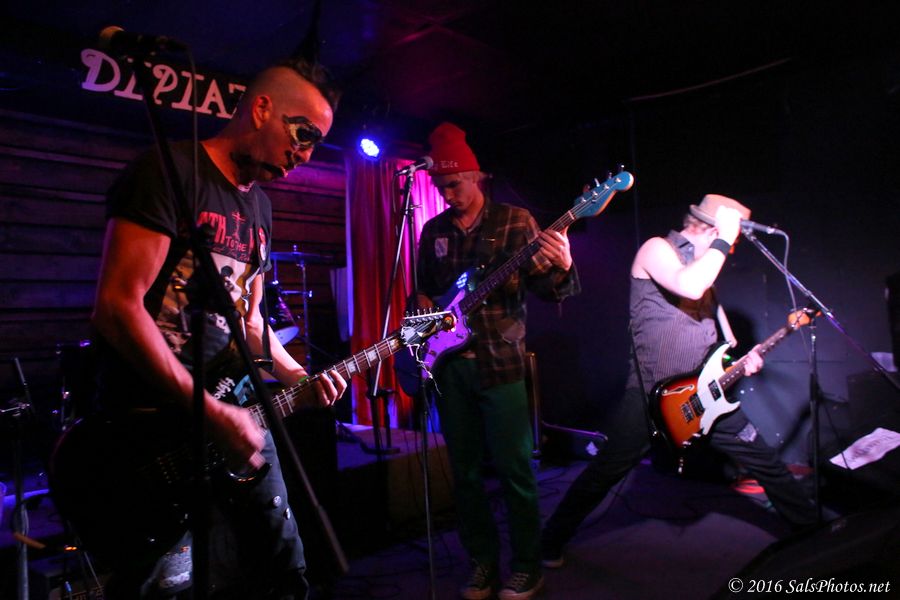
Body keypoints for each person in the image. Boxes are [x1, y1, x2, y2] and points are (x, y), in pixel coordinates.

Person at [91, 59, 347, 599]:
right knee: (168, 584)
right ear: (262, 109)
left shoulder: (261, 208)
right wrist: (209, 412)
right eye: (303, 134)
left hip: (237, 403)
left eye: (316, 143)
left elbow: (249, 320)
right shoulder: (169, 172)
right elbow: (117, 306)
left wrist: (299, 375)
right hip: (159, 423)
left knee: (283, 569)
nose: (305, 154)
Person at [540, 194, 818, 567]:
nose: (732, 249)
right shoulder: (657, 249)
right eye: (732, 240)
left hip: (705, 396)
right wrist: (726, 238)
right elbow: (689, 286)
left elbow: (724, 345)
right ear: (715, 230)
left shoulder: (706, 274)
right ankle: (549, 541)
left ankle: (815, 534)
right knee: (604, 472)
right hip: (654, 397)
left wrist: (742, 362)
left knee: (766, 461)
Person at [415, 122, 581, 600]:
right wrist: (423, 313)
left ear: (476, 175)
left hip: (501, 363)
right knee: (465, 474)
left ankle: (528, 565)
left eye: (455, 184)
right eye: (441, 187)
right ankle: (482, 563)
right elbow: (423, 290)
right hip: (450, 368)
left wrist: (564, 265)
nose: (448, 194)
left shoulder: (515, 221)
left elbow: (548, 290)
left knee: (514, 470)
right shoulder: (433, 231)